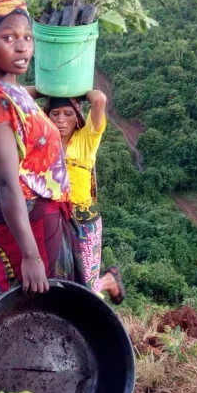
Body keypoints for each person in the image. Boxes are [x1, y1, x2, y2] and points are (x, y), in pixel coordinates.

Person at [0, 0, 85, 317]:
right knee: (28, 318)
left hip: (41, 217)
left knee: (49, 317)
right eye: (8, 38)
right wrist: (30, 256)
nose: (22, 47)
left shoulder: (12, 87)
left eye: (27, 37)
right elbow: (7, 183)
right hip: (25, 226)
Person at [44, 92, 125, 303]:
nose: (61, 120)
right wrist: (46, 89)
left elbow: (99, 100)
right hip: (54, 219)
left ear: (77, 116)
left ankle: (108, 281)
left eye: (68, 113)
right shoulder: (43, 142)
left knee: (85, 286)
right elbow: (15, 99)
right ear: (46, 116)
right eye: (55, 113)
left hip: (84, 221)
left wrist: (74, 89)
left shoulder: (86, 139)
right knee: (58, 278)